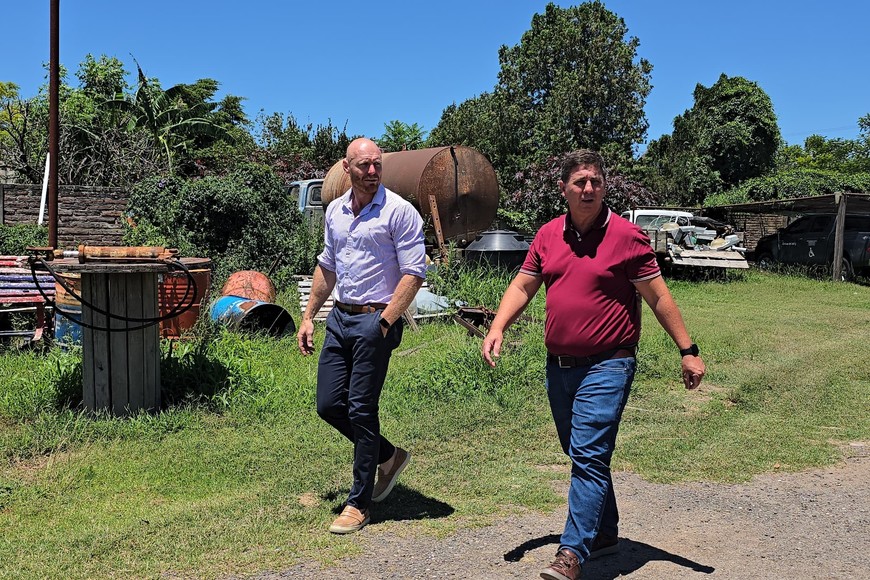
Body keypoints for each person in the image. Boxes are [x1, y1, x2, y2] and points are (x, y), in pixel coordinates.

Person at [481, 149, 706, 580]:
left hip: (609, 363)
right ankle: (604, 533)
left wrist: (687, 349)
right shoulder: (548, 235)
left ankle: (572, 553)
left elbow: (657, 296)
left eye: (595, 181)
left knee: (587, 454)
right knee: (582, 452)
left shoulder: (626, 237)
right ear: (563, 188)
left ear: (604, 187)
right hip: (559, 365)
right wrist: (498, 326)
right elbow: (524, 284)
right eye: (580, 182)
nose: (588, 189)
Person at [297, 138, 427, 534]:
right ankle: (389, 456)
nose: (372, 172)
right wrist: (308, 317)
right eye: (364, 166)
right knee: (328, 404)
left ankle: (359, 503)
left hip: (376, 320)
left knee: (360, 408)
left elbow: (414, 274)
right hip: (339, 318)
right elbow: (327, 267)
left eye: (377, 165)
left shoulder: (399, 212)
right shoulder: (335, 211)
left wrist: (385, 323)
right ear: (347, 167)